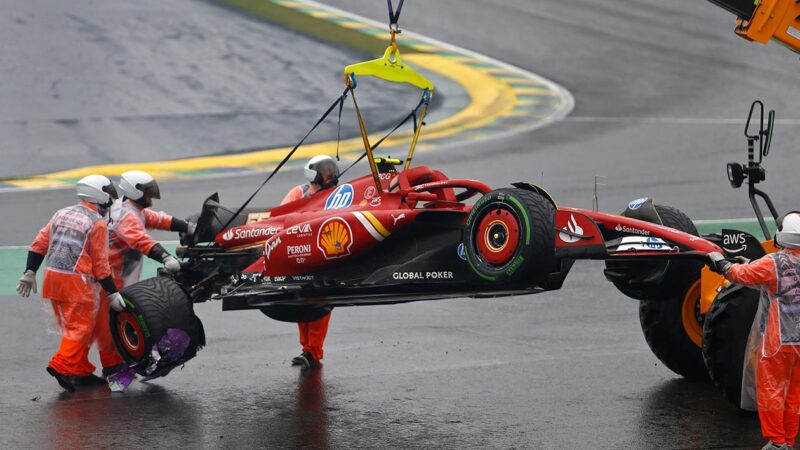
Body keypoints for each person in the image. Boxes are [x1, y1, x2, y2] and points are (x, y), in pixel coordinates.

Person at [16, 175, 124, 392]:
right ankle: (62, 366)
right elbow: (101, 266)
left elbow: (39, 244)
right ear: (99, 194)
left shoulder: (61, 213)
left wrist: (30, 272)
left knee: (74, 326)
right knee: (81, 327)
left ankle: (79, 371)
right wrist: (112, 293)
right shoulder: (97, 223)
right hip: (76, 282)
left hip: (52, 280)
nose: (110, 200)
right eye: (108, 193)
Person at [708, 212, 800, 450]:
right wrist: (749, 263)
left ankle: (777, 442)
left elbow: (741, 276)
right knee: (793, 394)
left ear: (782, 237)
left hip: (779, 341)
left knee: (771, 390)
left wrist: (721, 262)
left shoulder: (775, 262)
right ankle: (788, 440)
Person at [99, 170, 195, 381]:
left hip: (116, 273)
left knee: (111, 322)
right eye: (148, 192)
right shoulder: (126, 216)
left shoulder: (132, 208)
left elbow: (157, 219)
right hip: (110, 275)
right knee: (110, 324)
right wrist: (166, 257)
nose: (151, 196)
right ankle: (110, 368)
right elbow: (140, 240)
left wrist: (187, 226)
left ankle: (113, 366)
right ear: (134, 192)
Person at [281, 155, 339, 368]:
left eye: (331, 170)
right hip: (299, 252)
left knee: (319, 303)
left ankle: (313, 351)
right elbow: (280, 218)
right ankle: (306, 348)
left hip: (324, 253)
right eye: (325, 170)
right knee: (301, 302)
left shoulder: (337, 194)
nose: (330, 174)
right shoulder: (298, 193)